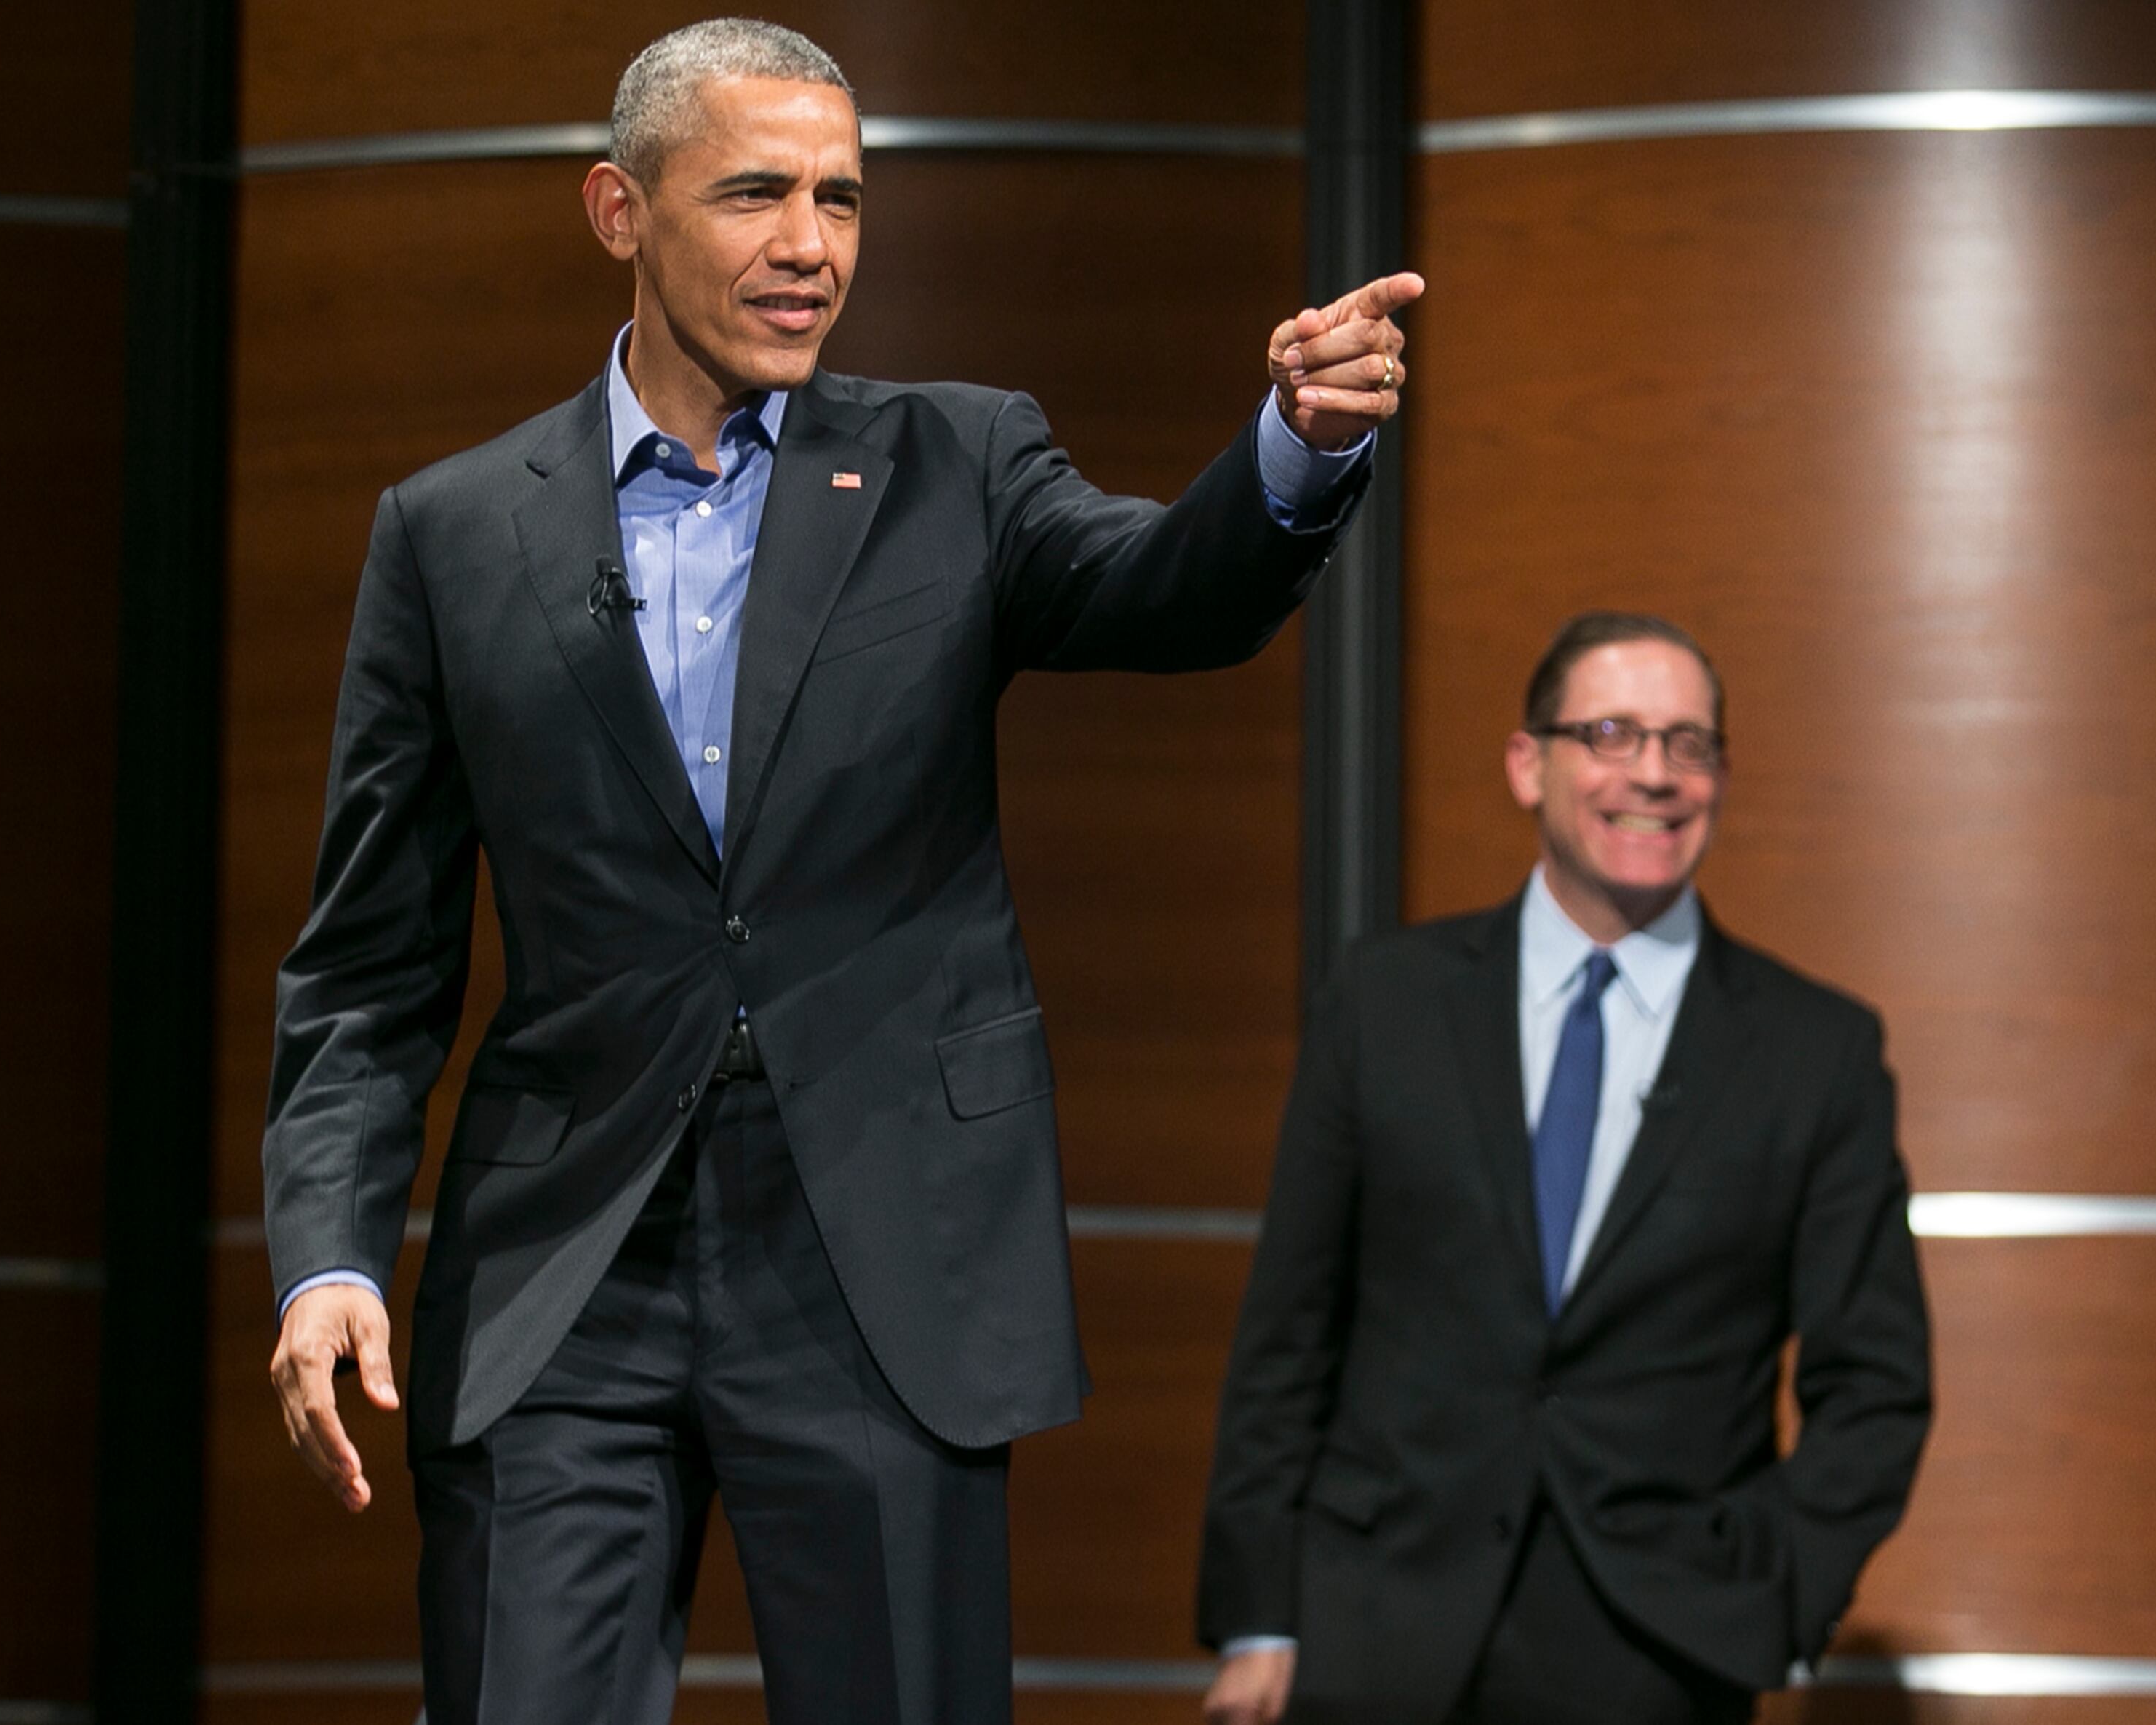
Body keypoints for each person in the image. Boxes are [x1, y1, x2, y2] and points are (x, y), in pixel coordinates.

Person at [256, 18, 1421, 1724]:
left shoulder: (958, 461)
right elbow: (368, 965)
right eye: (756, 194)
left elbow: (1169, 587)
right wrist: (330, 1258)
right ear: (620, 210)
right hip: (566, 1269)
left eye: (843, 199)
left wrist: (1296, 450)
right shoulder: (453, 531)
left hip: (881, 1256)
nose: (812, 245)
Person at [1197, 613, 1933, 1725]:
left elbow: (1876, 1384)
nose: (1656, 774)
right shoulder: (1385, 1002)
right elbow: (1288, 1334)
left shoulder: (1815, 1053)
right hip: (1371, 1631)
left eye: (1690, 744)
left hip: (1657, 1654)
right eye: (1612, 734)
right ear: (1526, 765)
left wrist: (1777, 1599)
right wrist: (1260, 1616)